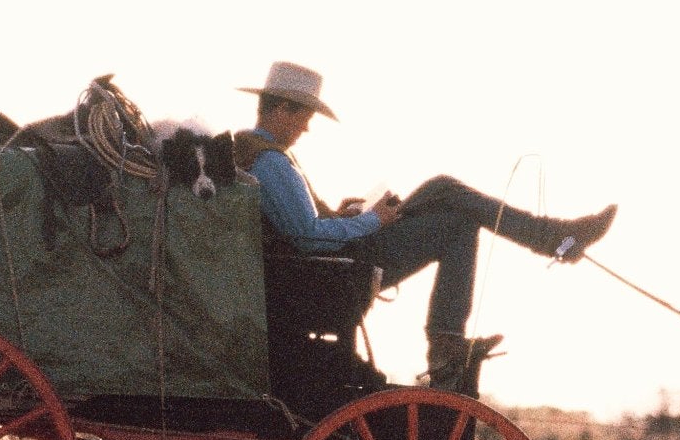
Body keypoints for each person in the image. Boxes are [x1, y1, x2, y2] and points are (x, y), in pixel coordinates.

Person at [232, 61, 617, 396]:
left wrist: (346, 216)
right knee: (455, 223)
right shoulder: (271, 164)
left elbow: (301, 227)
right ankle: (543, 244)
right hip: (332, 274)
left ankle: (548, 240)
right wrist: (371, 220)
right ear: (281, 109)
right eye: (304, 118)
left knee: (443, 190)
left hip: (329, 265)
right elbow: (306, 236)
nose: (306, 129)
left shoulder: (260, 156)